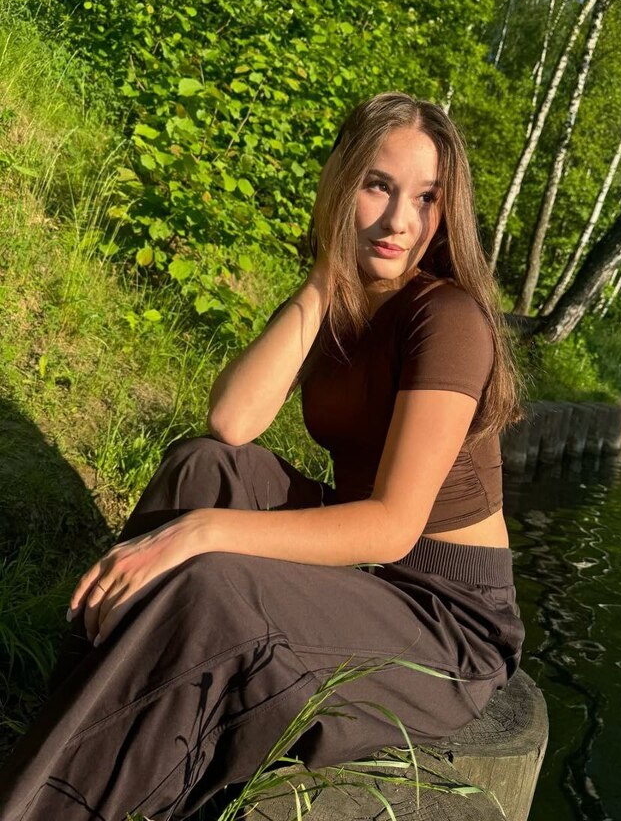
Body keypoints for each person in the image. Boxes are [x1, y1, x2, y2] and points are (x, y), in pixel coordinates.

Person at [0, 91, 526, 821]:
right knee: (203, 467)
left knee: (212, 585)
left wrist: (201, 533)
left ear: (448, 209)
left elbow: (391, 527)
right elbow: (232, 420)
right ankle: (72, 722)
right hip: (378, 575)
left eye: (426, 197)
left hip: (447, 621)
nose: (399, 221)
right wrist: (326, 274)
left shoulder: (447, 318)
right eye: (377, 186)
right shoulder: (345, 300)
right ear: (341, 183)